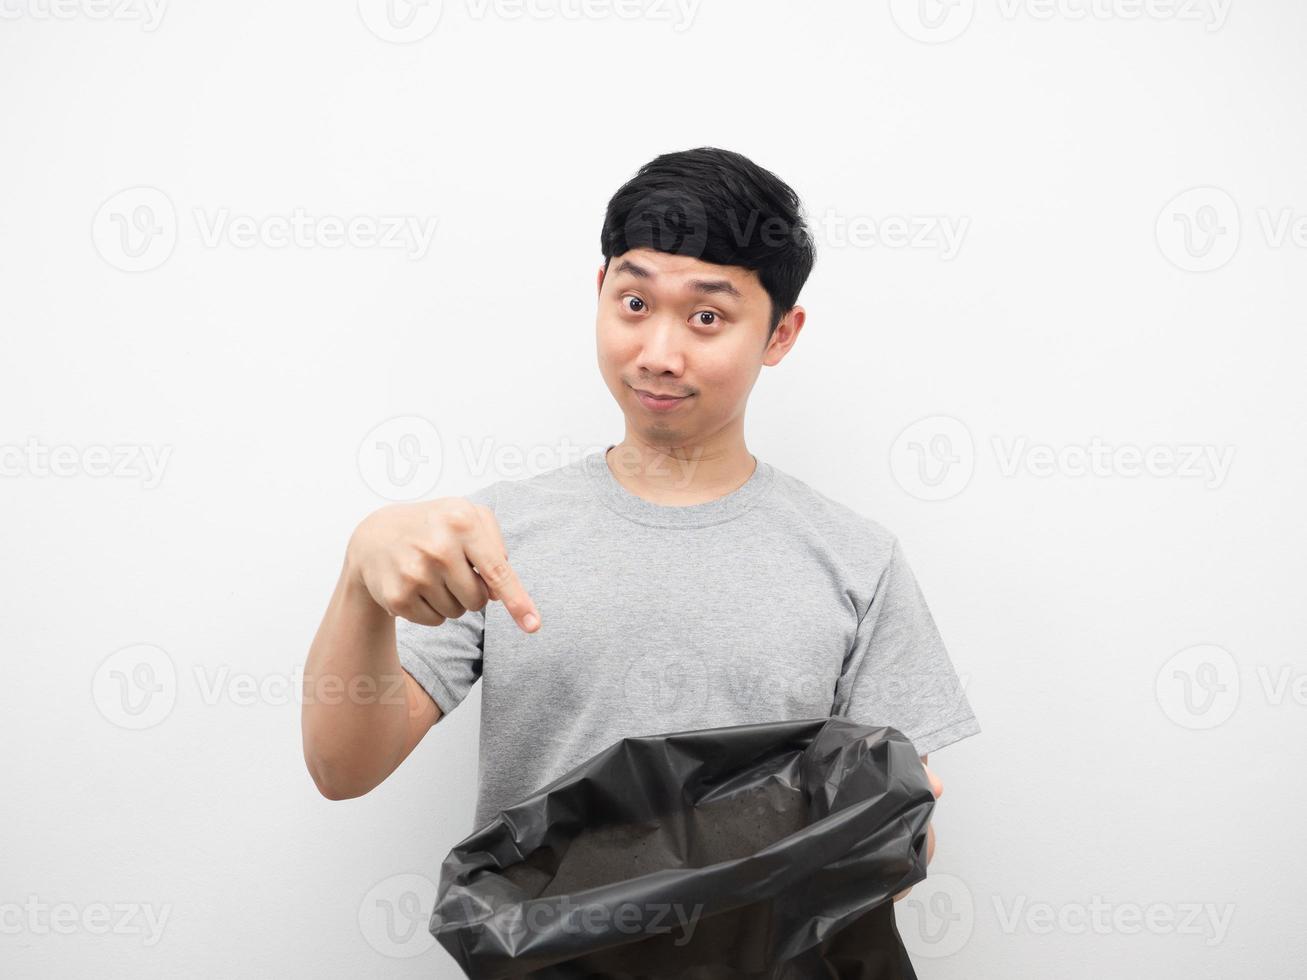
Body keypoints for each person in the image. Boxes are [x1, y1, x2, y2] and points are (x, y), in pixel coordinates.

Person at [301, 146, 977, 902]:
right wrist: (360, 575)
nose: (659, 353)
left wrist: (895, 825)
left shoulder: (857, 560)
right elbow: (342, 770)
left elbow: (896, 856)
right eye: (634, 304)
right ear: (599, 292)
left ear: (779, 335)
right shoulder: (493, 537)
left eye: (707, 317)